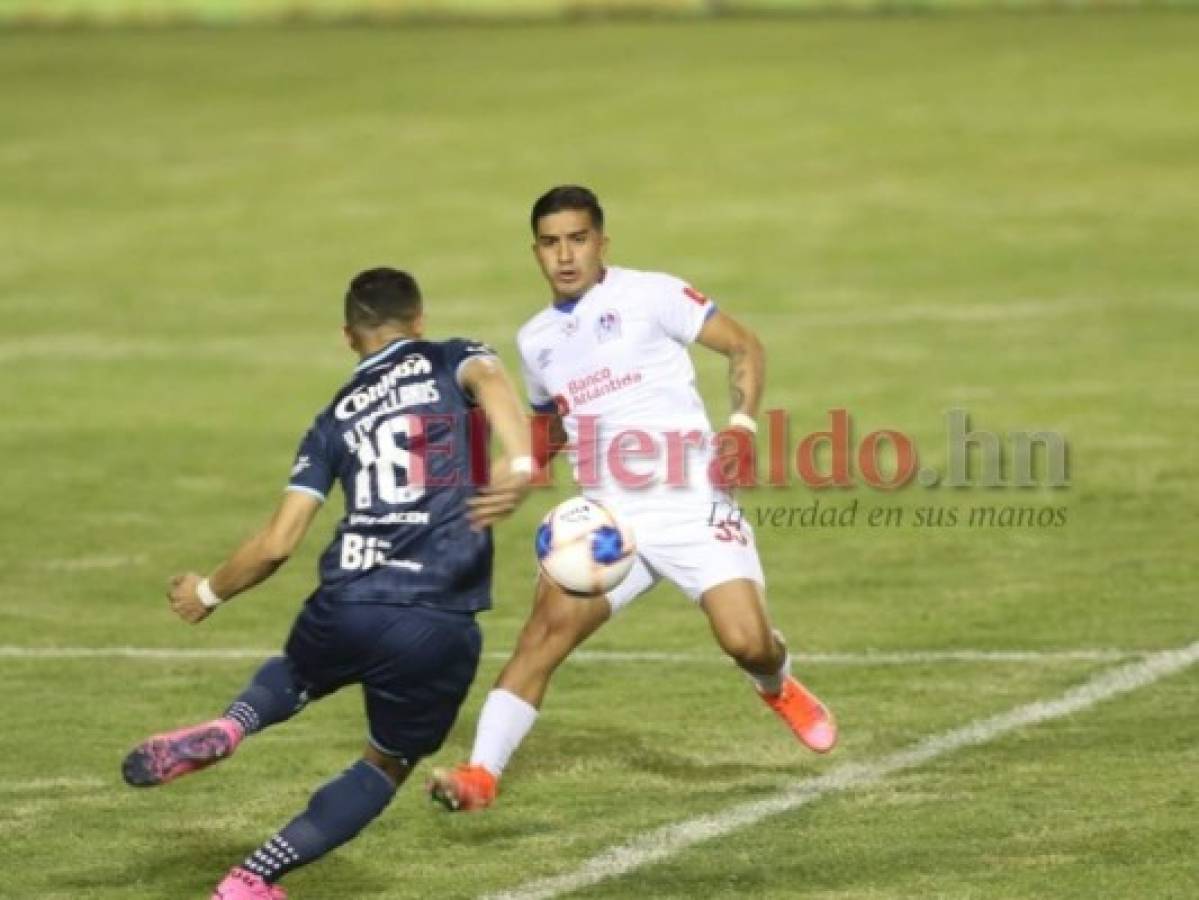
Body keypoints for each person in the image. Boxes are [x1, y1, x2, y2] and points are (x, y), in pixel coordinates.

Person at [120, 267, 534, 899]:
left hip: (347, 597)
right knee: (386, 763)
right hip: (438, 617)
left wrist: (205, 593)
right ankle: (248, 880)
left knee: (298, 671)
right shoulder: (453, 357)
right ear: (418, 320)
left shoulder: (334, 418)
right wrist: (521, 459)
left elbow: (278, 544)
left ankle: (233, 725)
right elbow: (492, 380)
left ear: (349, 336)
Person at [428, 186, 837, 812]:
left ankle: (774, 683)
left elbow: (744, 346)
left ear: (601, 242)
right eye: (549, 242)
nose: (564, 255)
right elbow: (554, 426)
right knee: (541, 638)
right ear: (535, 250)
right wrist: (517, 469)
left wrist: (742, 427)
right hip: (607, 519)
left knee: (747, 642)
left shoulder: (652, 294)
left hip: (690, 501)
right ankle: (481, 772)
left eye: (577, 238)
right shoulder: (536, 340)